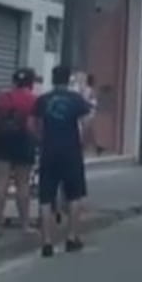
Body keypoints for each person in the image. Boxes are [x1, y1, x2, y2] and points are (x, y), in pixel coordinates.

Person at [33, 65, 92, 258]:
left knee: (46, 197)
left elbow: (33, 125)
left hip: (48, 152)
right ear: (68, 80)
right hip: (71, 152)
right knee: (74, 196)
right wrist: (85, 143)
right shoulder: (76, 100)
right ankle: (72, 237)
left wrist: (41, 140)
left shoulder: (43, 100)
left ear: (52, 78)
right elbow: (86, 123)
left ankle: (47, 242)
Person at [0, 68, 37, 235]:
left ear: (14, 81)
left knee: (0, 182)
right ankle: (24, 225)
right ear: (31, 83)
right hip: (24, 141)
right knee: (23, 183)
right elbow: (34, 125)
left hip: (2, 141)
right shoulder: (34, 100)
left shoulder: (0, 98)